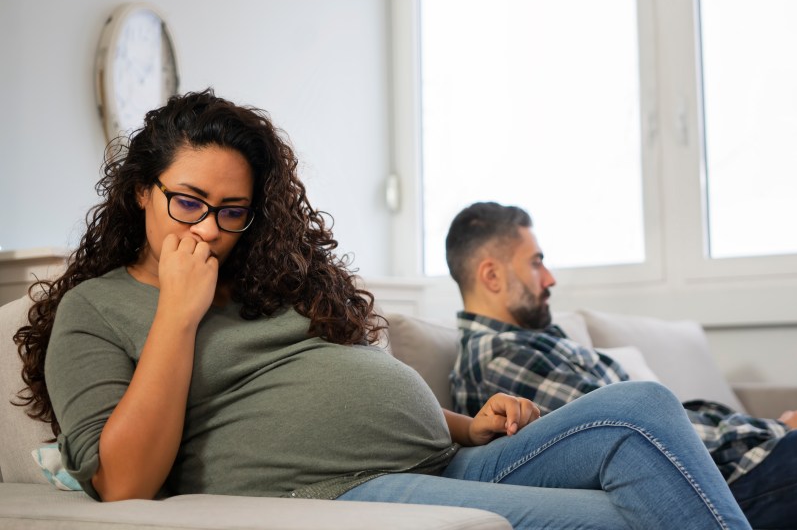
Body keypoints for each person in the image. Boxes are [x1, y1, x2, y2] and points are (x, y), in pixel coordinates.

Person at [13, 91, 753, 530]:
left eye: (232, 211)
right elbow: (124, 483)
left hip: (450, 457)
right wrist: (177, 312)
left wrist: (466, 422)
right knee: (641, 516)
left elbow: (349, 380)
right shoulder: (94, 311)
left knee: (644, 408)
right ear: (141, 189)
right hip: (339, 492)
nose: (208, 229)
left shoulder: (273, 279)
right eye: (188, 202)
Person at [446, 201, 797, 530]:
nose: (549, 277)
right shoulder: (504, 358)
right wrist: (776, 429)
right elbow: (631, 441)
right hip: (729, 486)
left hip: (745, 461)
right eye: (535, 261)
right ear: (490, 274)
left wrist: (771, 428)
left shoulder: (541, 342)